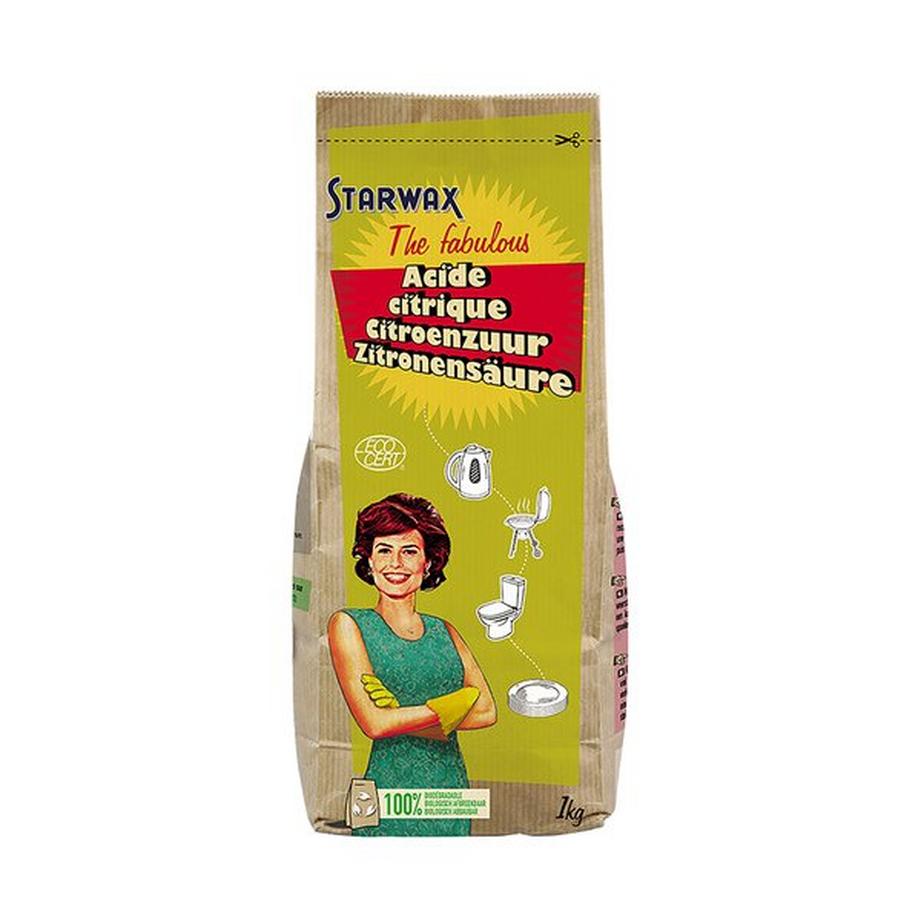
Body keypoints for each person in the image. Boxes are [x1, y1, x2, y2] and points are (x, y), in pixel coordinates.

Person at [328, 492, 497, 836]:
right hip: (387, 793)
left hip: (450, 794)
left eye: (409, 551)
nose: (395, 563)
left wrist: (399, 714)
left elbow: (487, 712)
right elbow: (374, 724)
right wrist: (455, 704)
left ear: (428, 563)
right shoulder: (348, 624)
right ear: (368, 560)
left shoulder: (445, 630)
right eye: (383, 550)